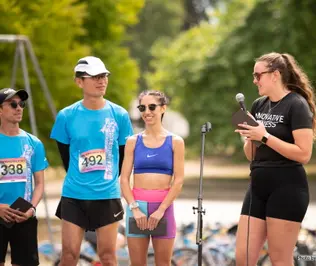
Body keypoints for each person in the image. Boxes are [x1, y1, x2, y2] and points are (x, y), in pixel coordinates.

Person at [234, 52, 316, 266]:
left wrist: (264, 136)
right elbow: (251, 155)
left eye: (258, 75)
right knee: (243, 259)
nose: (254, 80)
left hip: (287, 188)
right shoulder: (258, 105)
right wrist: (250, 138)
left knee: (280, 260)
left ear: (275, 75)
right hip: (257, 186)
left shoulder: (297, 104)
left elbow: (304, 154)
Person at [50, 56, 133, 266]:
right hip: (74, 195)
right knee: (69, 256)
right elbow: (66, 158)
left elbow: (125, 158)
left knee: (108, 257)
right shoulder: (66, 116)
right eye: (95, 76)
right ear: (79, 81)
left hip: (107, 195)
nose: (102, 80)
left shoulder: (120, 115)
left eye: (104, 75)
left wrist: (109, 178)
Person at [120, 90, 185, 266]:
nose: (146, 112)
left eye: (152, 107)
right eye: (142, 107)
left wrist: (161, 210)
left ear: (163, 108)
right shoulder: (133, 141)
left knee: (163, 263)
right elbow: (124, 179)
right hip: (137, 210)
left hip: (163, 209)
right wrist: (134, 208)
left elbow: (178, 180)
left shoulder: (175, 141)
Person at [0, 88, 48, 266]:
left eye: (22, 104)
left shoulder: (34, 143)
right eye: (13, 104)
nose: (19, 108)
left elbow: (40, 183)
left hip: (24, 215)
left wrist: (31, 209)